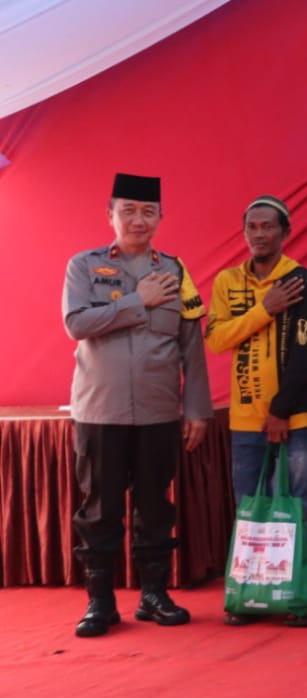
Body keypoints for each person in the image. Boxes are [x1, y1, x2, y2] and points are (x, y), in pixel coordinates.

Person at [63, 173, 210, 638]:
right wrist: (136, 300)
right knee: (99, 509)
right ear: (110, 215)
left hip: (157, 411)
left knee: (154, 506)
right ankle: (100, 602)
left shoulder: (176, 272)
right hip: (100, 410)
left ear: (161, 218)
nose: (138, 220)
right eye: (128, 210)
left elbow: (191, 345)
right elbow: (76, 324)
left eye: (148, 212)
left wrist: (197, 409)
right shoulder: (83, 266)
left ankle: (154, 595)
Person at [204, 195, 307, 626]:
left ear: (285, 232)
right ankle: (252, 595)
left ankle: (299, 597)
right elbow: (216, 339)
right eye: (251, 227)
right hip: (244, 421)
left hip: (295, 417)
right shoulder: (227, 281)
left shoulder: (301, 279)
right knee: (250, 511)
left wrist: (280, 410)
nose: (259, 234)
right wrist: (264, 310)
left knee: (301, 510)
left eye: (267, 226)